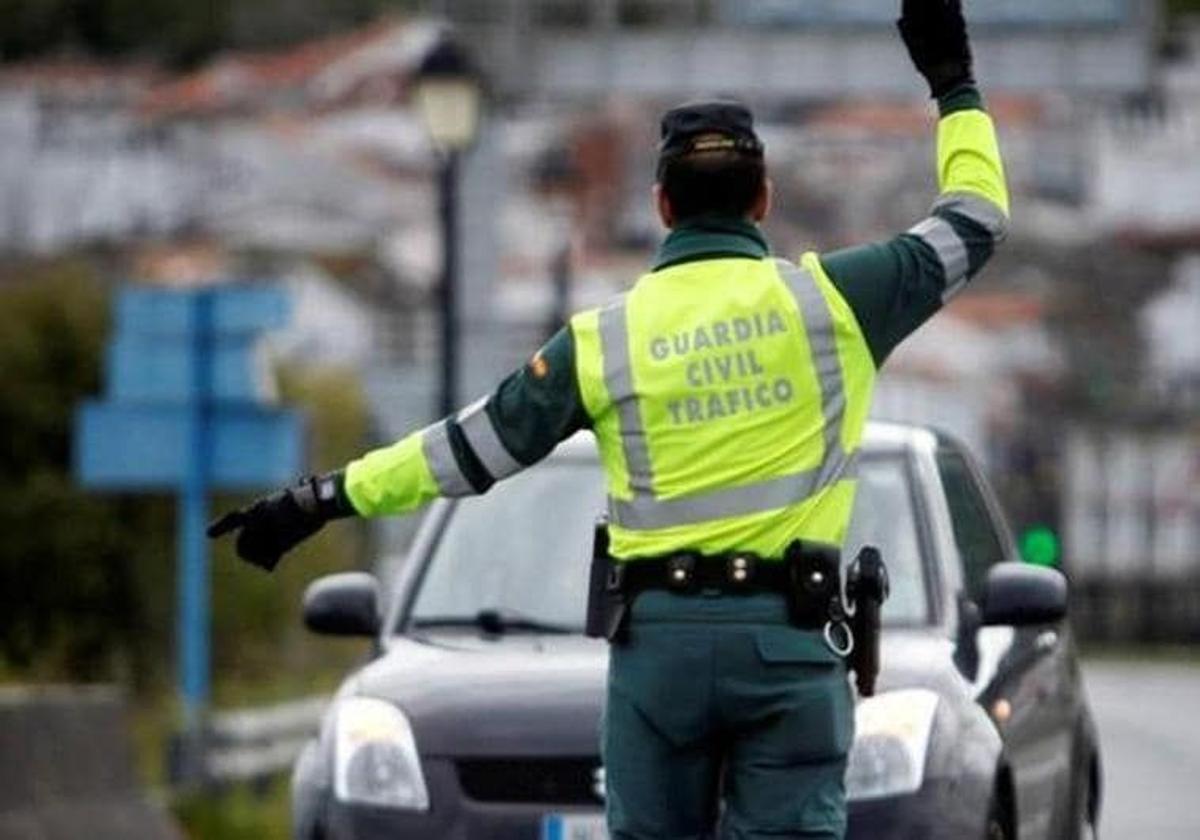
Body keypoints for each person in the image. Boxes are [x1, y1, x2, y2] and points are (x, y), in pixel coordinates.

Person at [209, 2, 1007, 837]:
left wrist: (323, 497)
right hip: (789, 647)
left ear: (662, 205)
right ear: (763, 198)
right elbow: (977, 219)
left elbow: (466, 451)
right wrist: (953, 85)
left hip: (658, 654)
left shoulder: (603, 342)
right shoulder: (837, 303)